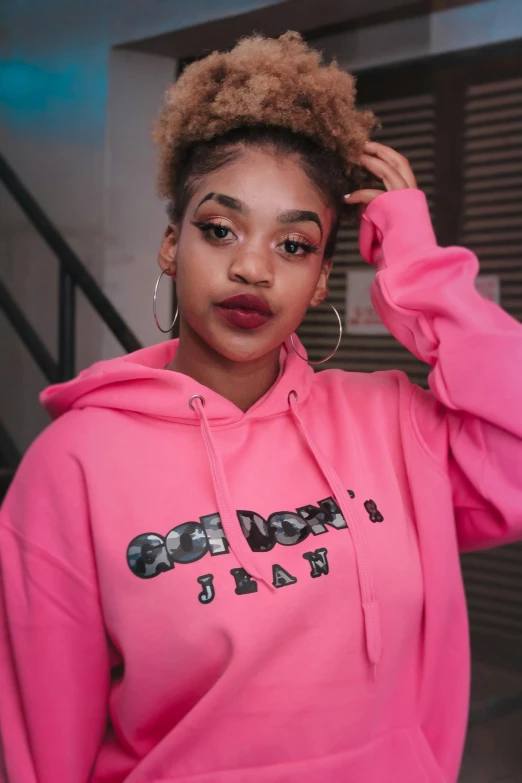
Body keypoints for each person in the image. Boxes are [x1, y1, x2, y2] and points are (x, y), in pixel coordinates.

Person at [0, 31, 521, 783]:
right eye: (221, 230)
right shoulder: (70, 466)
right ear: (172, 246)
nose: (251, 266)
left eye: (294, 244)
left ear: (319, 281)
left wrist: (420, 270)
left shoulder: (393, 422)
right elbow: (48, 746)